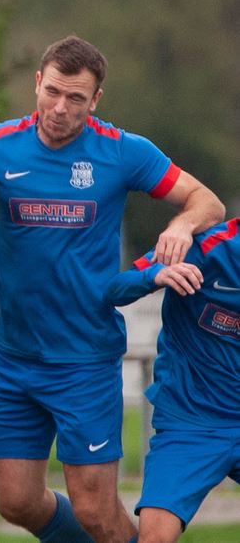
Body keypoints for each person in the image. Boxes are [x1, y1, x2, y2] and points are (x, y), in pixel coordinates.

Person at [0, 35, 225, 542]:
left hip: (84, 360)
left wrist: (182, 226)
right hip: (13, 358)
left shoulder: (122, 152)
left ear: (95, 99)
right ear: (37, 83)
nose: (60, 108)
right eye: (52, 92)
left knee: (97, 512)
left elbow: (207, 202)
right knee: (15, 501)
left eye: (75, 98)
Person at [105, 218, 240, 541]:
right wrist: (155, 276)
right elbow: (114, 288)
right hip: (191, 423)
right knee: (155, 535)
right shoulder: (206, 248)